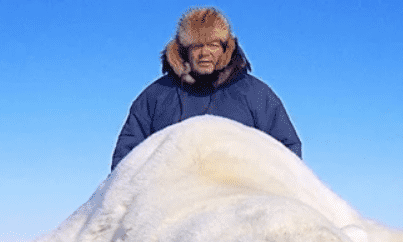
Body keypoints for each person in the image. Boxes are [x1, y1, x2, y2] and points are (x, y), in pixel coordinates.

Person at [110, 7, 301, 171]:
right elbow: (126, 157)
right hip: (170, 202)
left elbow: (287, 148)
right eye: (196, 46)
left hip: (239, 200)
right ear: (185, 50)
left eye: (213, 45)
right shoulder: (156, 96)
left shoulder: (255, 94)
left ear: (226, 48)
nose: (205, 53)